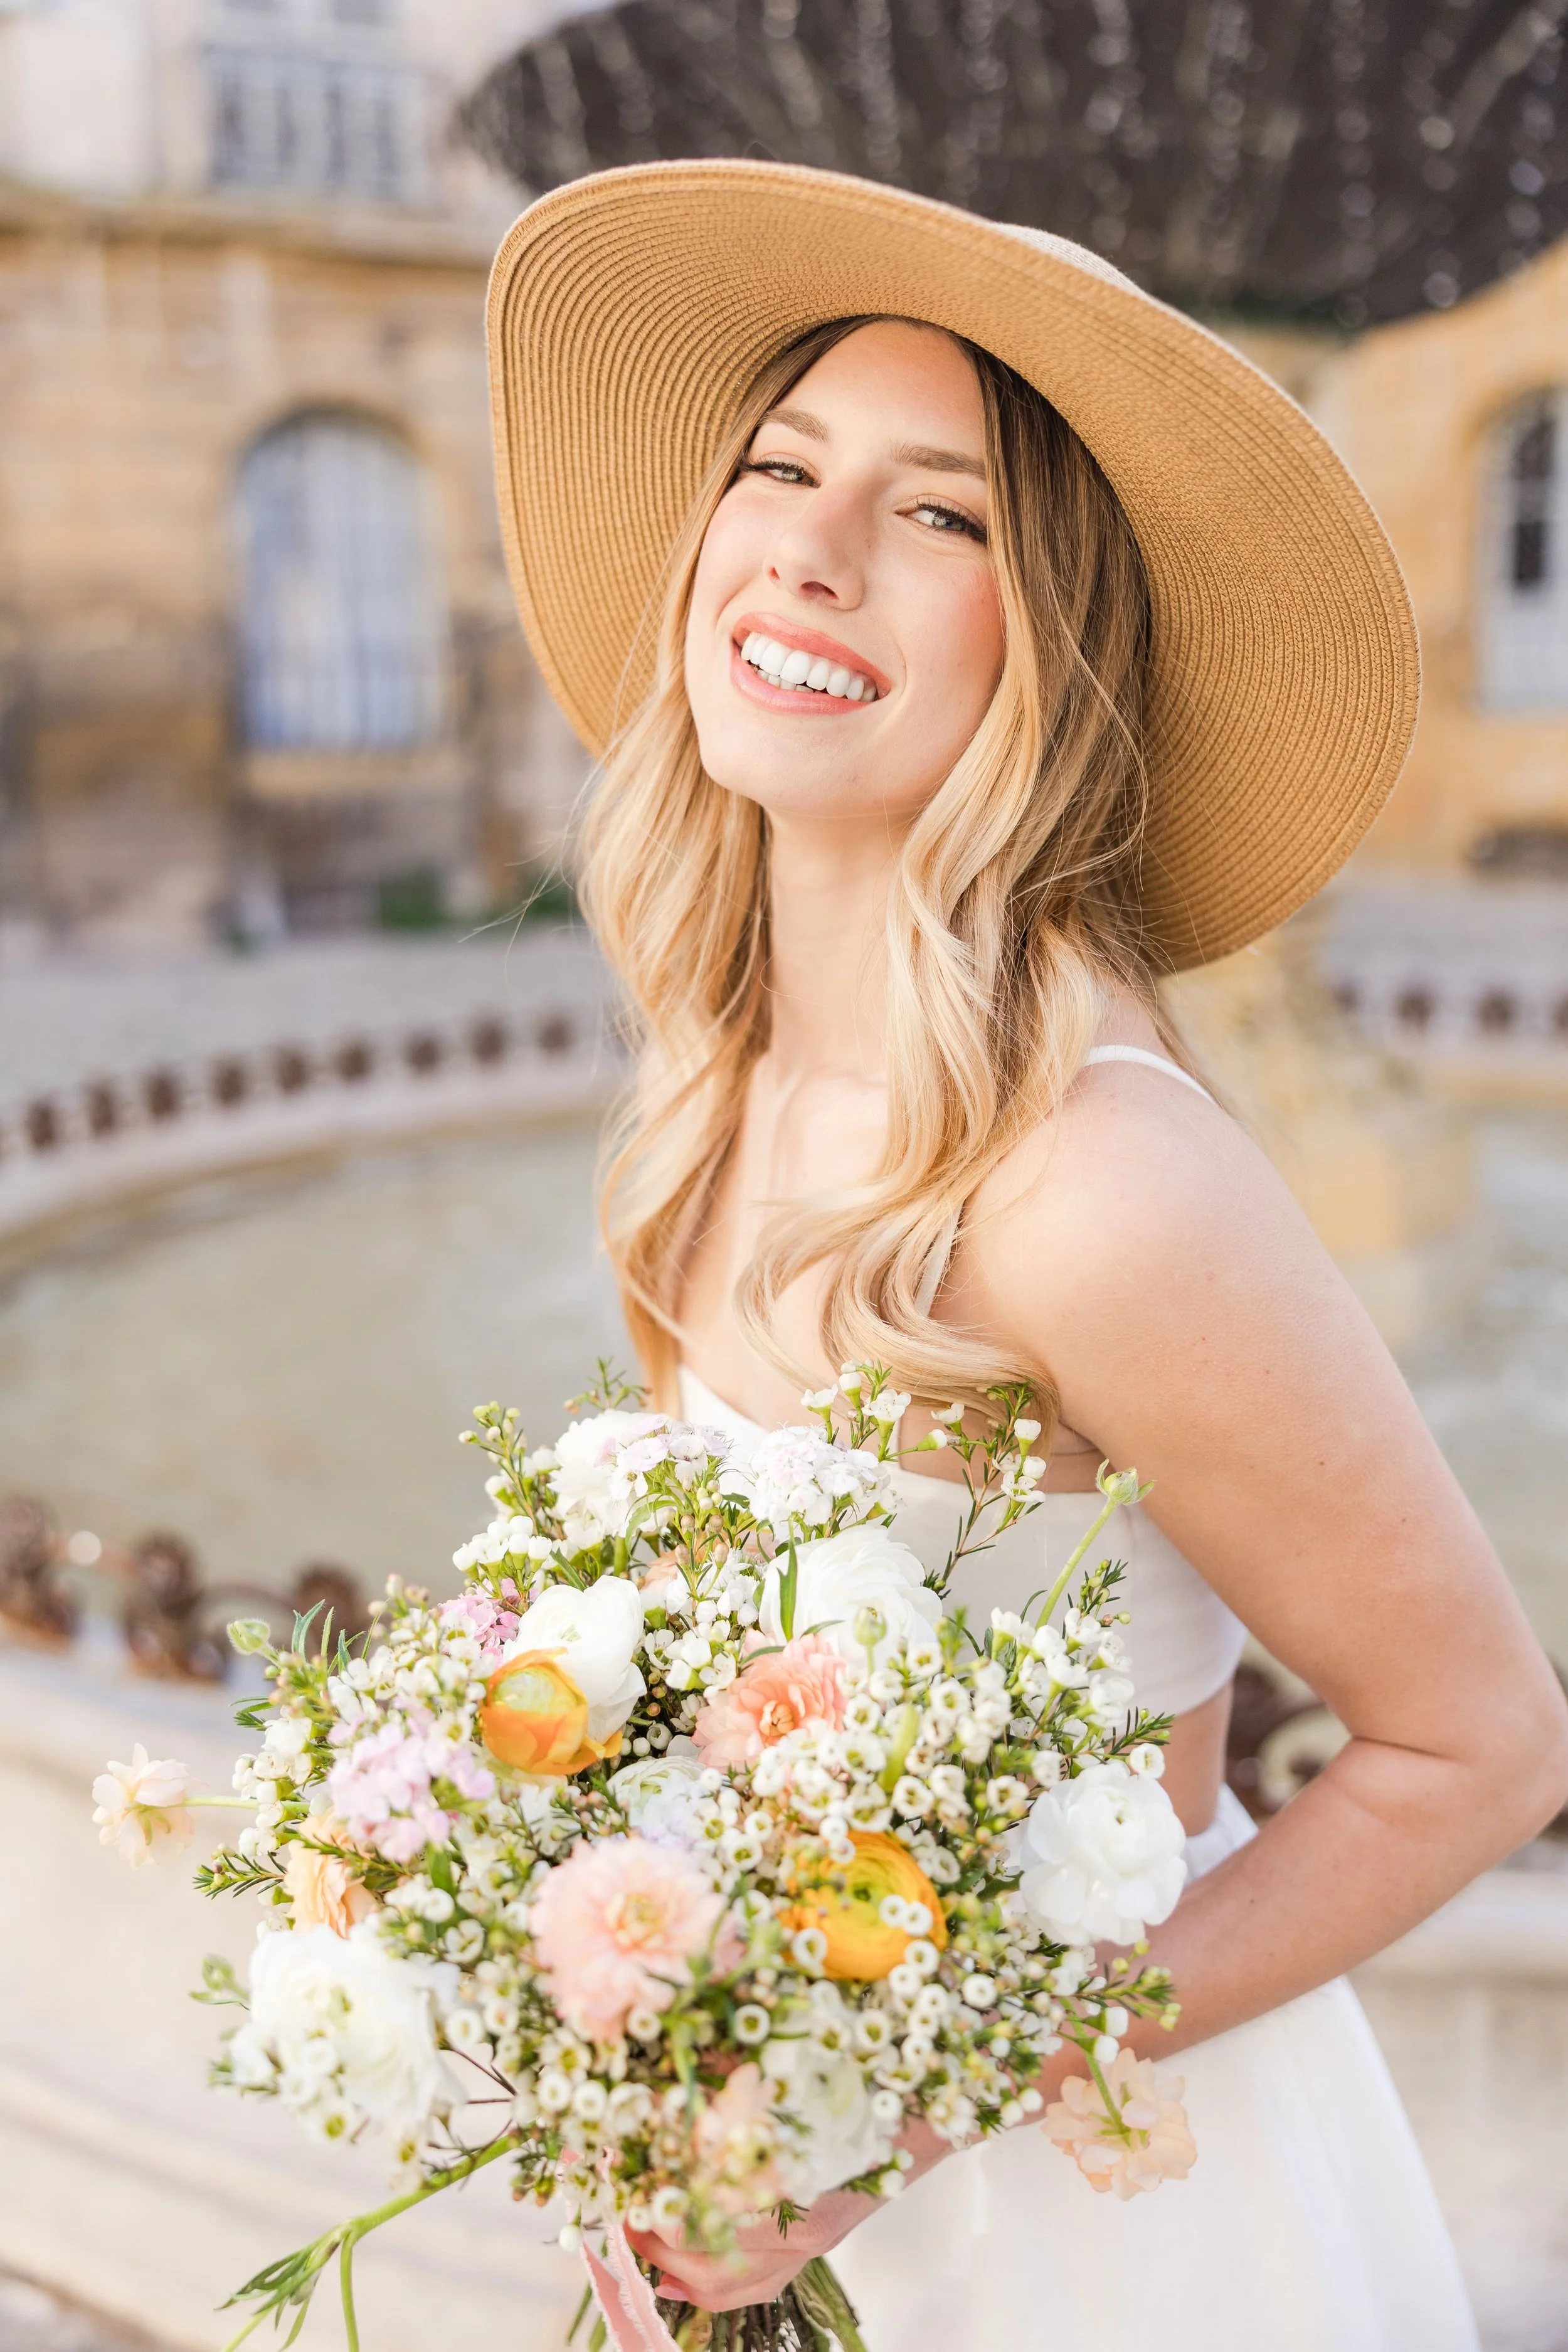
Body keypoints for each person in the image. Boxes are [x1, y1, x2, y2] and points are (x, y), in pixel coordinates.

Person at [487, 161, 1568, 2349]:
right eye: (780, 466)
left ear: (1049, 636)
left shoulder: (1090, 1181)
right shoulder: (726, 1077)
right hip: (775, 2183)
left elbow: (1476, 1747)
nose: (806, 542)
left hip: (1104, 2231)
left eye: (939, 514)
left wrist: (900, 2104)